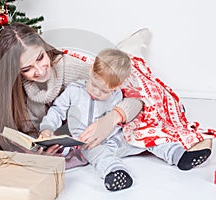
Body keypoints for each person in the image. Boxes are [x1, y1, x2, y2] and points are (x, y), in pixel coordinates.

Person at [39, 48, 212, 192]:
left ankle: (179, 155)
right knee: (100, 156)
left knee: (146, 139)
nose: (97, 93)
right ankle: (116, 173)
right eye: (94, 85)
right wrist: (47, 128)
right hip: (89, 142)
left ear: (118, 86)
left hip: (117, 138)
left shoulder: (118, 95)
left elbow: (134, 110)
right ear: (91, 71)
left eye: (104, 91)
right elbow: (57, 111)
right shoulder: (73, 90)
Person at [0, 22, 143, 159]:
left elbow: (134, 100)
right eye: (27, 68)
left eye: (40, 58)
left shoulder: (71, 68)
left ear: (44, 48)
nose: (40, 70)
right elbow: (9, 133)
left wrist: (110, 119)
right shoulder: (16, 91)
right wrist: (36, 150)